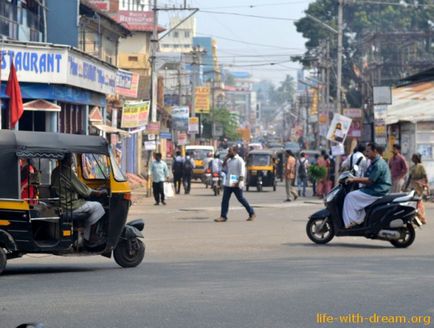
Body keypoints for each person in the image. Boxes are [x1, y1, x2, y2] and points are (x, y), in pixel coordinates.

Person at [51, 153, 106, 243]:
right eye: (72, 158)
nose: (72, 161)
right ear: (68, 160)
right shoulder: (68, 172)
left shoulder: (55, 171)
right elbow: (85, 191)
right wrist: (99, 192)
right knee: (98, 206)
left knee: (89, 204)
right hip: (70, 206)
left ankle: (84, 233)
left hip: (59, 204)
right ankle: (90, 237)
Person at [343, 142, 392, 228]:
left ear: (375, 151)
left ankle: (353, 221)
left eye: (368, 151)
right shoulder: (374, 162)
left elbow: (370, 180)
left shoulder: (378, 164)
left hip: (377, 190)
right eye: (366, 151)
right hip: (374, 189)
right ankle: (360, 218)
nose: (366, 153)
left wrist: (354, 179)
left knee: (350, 196)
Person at [215, 146, 256, 222]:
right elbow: (223, 168)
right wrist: (225, 159)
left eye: (230, 151)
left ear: (235, 152)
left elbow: (242, 172)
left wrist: (240, 182)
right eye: (228, 151)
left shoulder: (239, 160)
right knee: (225, 200)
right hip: (229, 181)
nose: (228, 153)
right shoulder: (229, 160)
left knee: (241, 199)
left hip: (236, 181)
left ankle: (252, 213)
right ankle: (223, 216)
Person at [405, 153, 428, 224]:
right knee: (414, 201)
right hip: (413, 185)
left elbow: (425, 176)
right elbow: (409, 177)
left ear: (416, 158)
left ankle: (422, 217)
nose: (412, 159)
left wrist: (425, 185)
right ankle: (417, 217)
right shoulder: (412, 167)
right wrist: (406, 186)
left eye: (413, 157)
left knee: (418, 201)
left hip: (419, 185)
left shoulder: (421, 166)